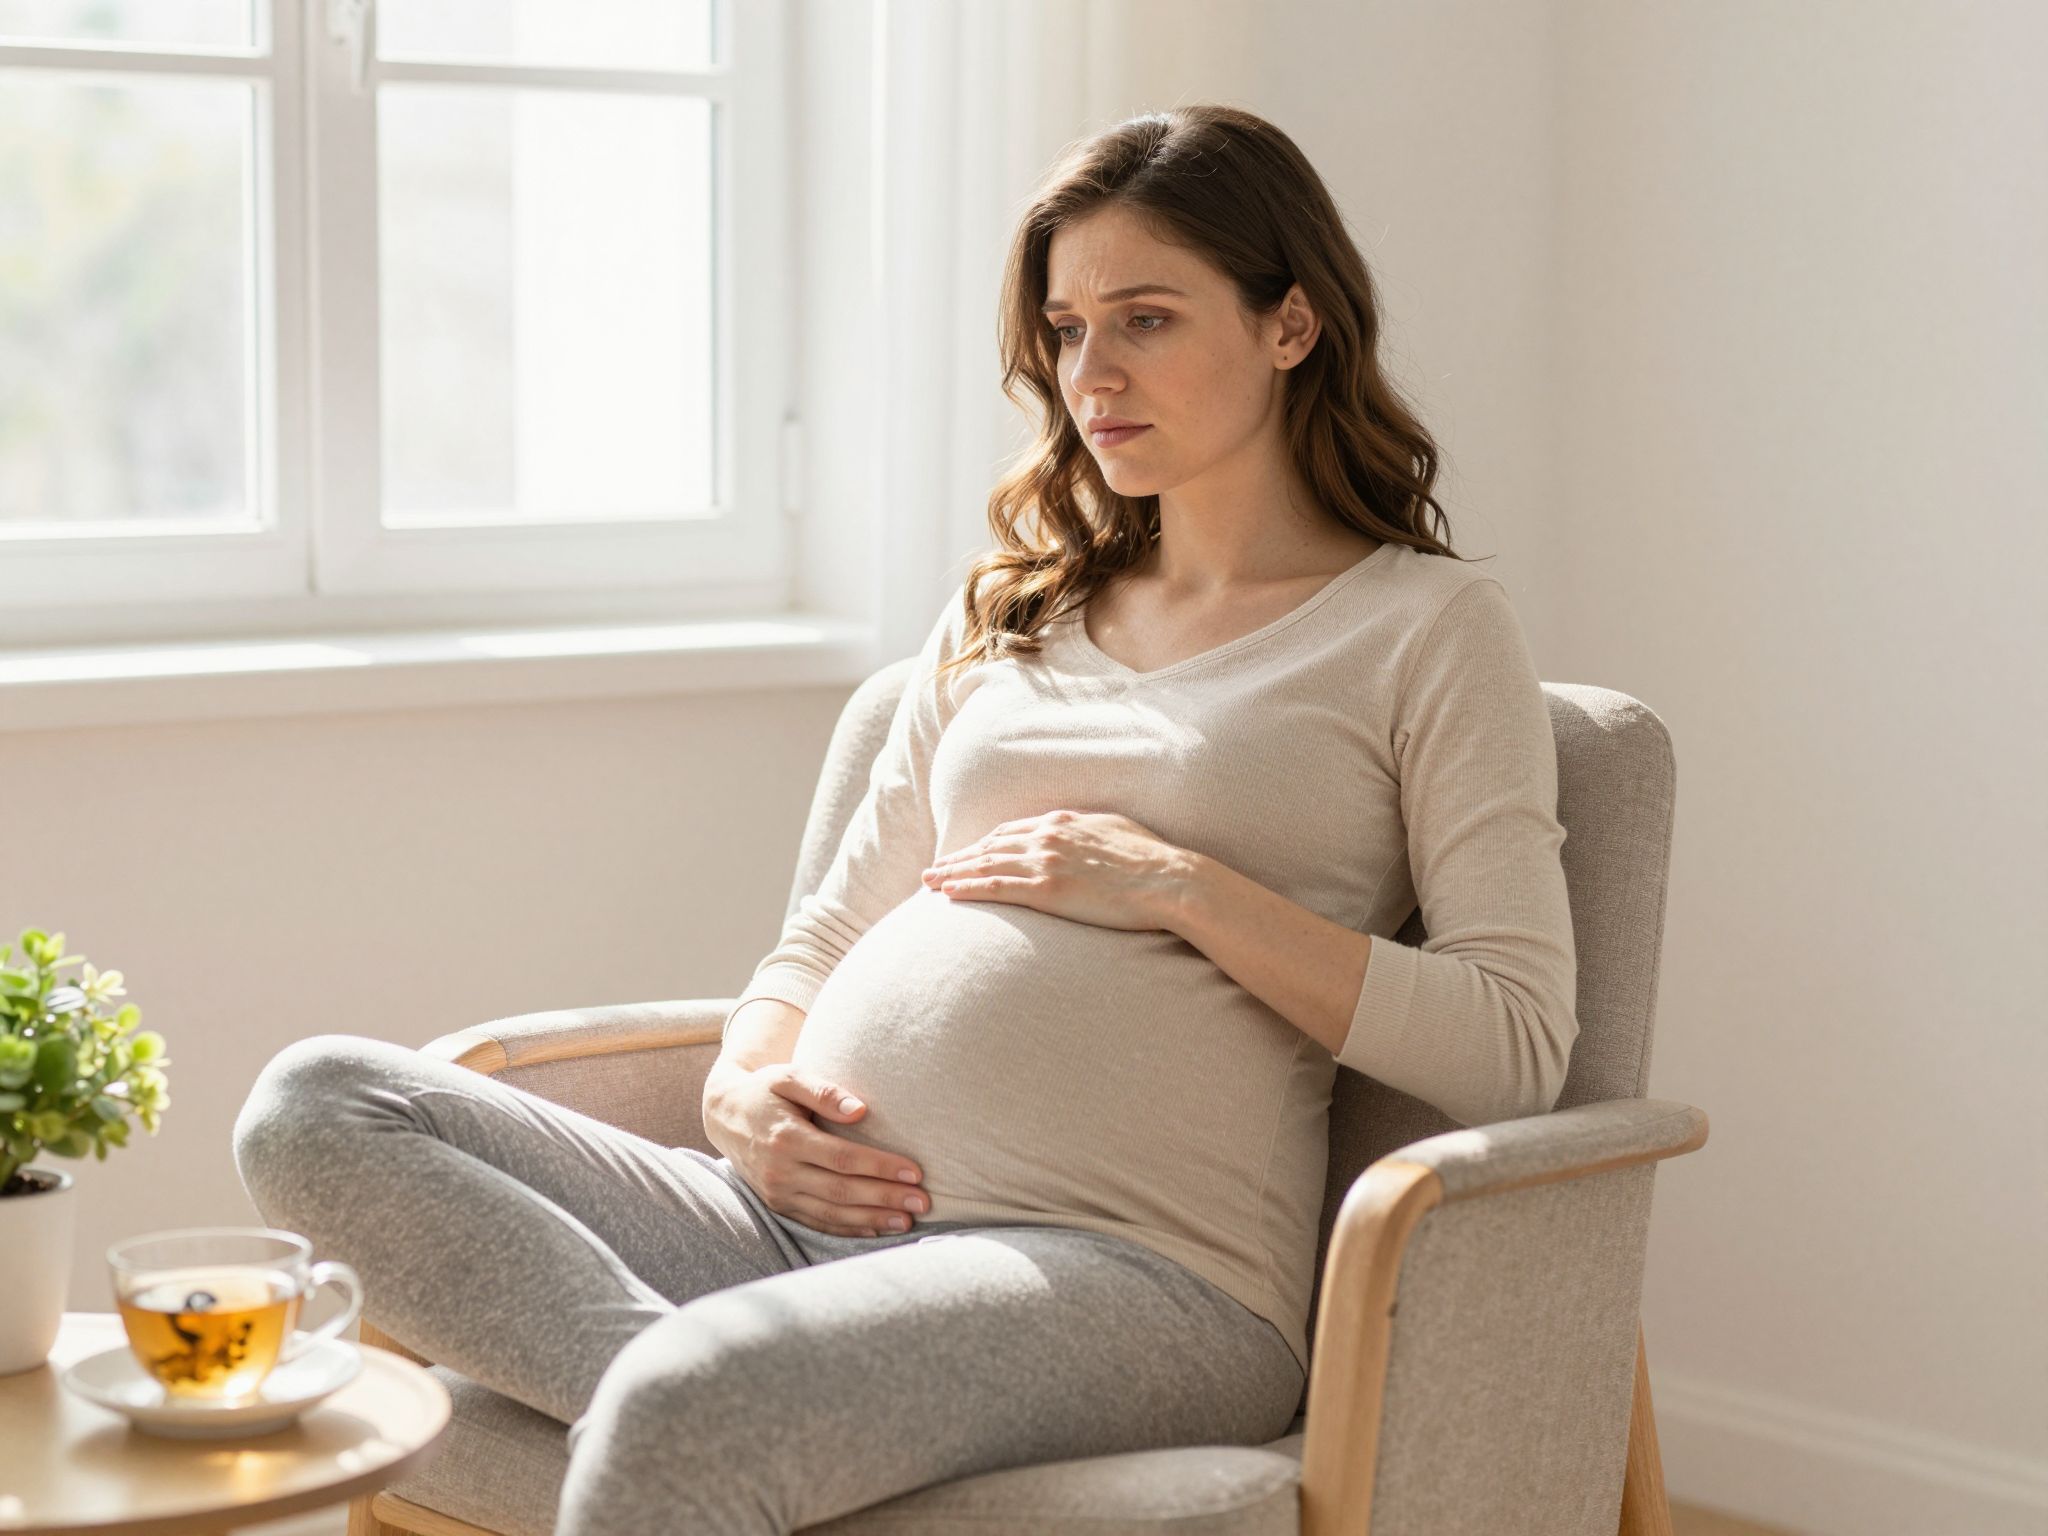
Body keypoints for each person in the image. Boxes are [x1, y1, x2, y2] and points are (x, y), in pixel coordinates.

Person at [231, 103, 1577, 1536]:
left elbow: (1515, 1045)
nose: (1092, 374)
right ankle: (716, 1410)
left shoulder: (1423, 630)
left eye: (1146, 319)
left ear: (1290, 324)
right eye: (1066, 330)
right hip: (780, 1225)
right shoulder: (1014, 607)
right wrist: (740, 1089)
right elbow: (826, 936)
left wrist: (1181, 886)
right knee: (319, 1105)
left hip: (1131, 1277)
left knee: (697, 1400)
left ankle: (710, 1411)